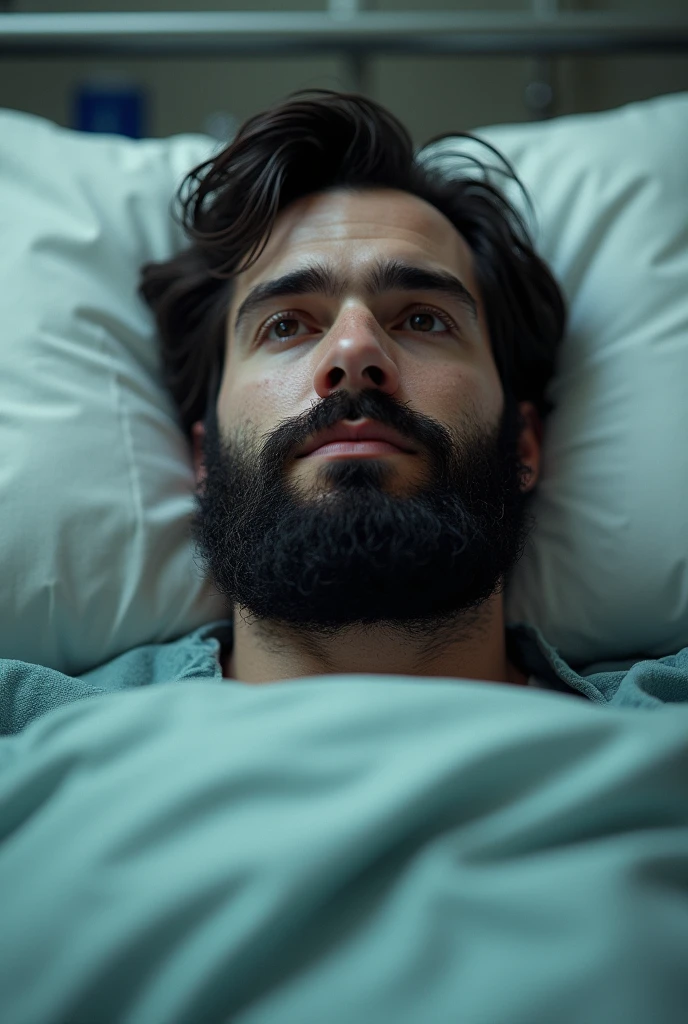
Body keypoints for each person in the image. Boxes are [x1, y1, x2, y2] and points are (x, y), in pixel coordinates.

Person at [140, 88, 566, 689]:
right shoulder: (36, 734)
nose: (354, 350)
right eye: (285, 325)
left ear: (524, 445)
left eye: (423, 319)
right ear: (201, 458)